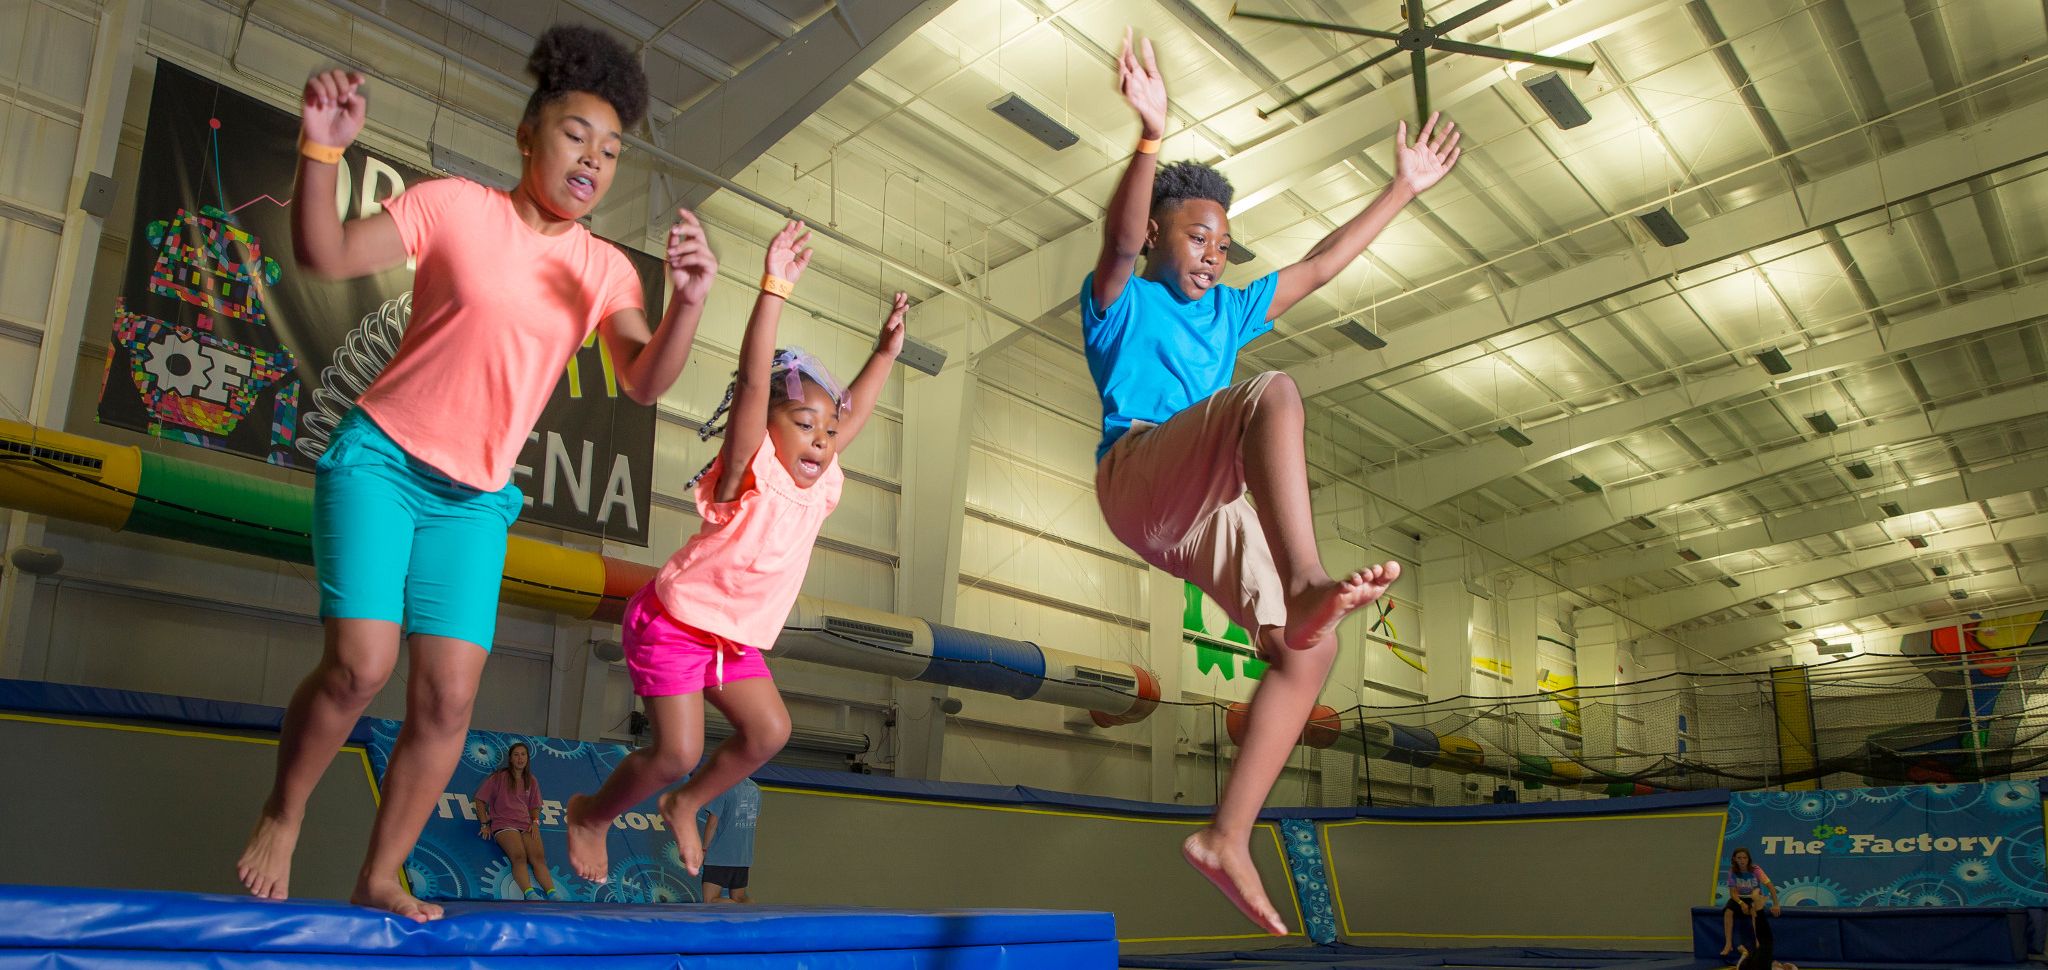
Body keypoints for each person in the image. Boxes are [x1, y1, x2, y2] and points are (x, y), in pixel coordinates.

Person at [235, 24, 719, 921]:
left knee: (451, 699)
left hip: (474, 501)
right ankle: (285, 810)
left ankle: (382, 873)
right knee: (359, 665)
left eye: (611, 152)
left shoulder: (606, 270)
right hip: (381, 461)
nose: (593, 160)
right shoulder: (453, 206)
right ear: (529, 134)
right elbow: (325, 255)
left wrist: (689, 303)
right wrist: (320, 152)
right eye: (576, 136)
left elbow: (646, 380)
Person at [1083, 29, 1460, 935]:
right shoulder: (1119, 300)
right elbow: (1120, 234)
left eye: (1222, 240)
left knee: (1308, 653)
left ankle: (1226, 835)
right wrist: (1147, 139)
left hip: (1198, 508)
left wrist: (1401, 189)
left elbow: (1325, 262)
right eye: (1196, 234)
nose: (1213, 253)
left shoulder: (1229, 308)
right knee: (1275, 392)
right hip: (1137, 472)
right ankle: (1302, 580)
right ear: (1164, 235)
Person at [564, 221, 907, 883]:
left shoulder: (823, 479)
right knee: (676, 749)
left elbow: (853, 411)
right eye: (803, 425)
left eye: (826, 432)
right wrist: (773, 287)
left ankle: (685, 802)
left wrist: (886, 353)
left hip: (730, 639)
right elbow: (754, 383)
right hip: (674, 623)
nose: (819, 441)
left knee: (768, 733)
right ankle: (592, 815)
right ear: (768, 429)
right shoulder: (747, 472)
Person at [471, 743, 559, 900]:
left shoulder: (531, 780)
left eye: (523, 754)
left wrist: (535, 822)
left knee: (538, 858)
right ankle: (529, 894)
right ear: (510, 759)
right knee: (519, 856)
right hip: (504, 824)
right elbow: (479, 800)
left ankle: (553, 894)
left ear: (527, 758)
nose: (520, 758)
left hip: (525, 825)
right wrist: (484, 823)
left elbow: (535, 806)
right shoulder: (498, 777)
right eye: (516, 755)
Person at [698, 777, 761, 902]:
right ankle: (753, 916)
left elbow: (712, 823)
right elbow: (754, 821)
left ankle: (739, 908)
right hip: (743, 856)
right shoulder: (755, 789)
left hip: (720, 855)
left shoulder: (723, 786)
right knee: (740, 898)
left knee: (710, 900)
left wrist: (704, 849)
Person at [1721, 847, 1779, 956]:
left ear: (1748, 859)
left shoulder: (1756, 870)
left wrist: (1776, 904)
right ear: (1734, 859)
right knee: (1728, 912)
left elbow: (1770, 886)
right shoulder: (1732, 871)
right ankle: (1728, 944)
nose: (1742, 860)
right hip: (1739, 897)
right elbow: (1733, 893)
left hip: (1754, 896)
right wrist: (1741, 903)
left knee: (1754, 912)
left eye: (1744, 858)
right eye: (1739, 858)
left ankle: (1758, 943)